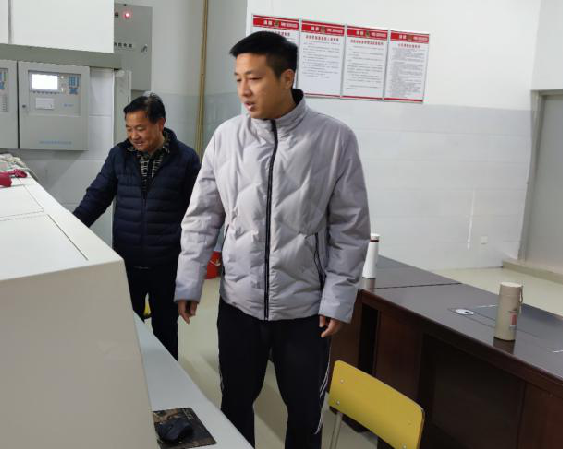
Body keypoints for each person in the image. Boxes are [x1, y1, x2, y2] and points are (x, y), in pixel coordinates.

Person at [174, 31, 371, 448]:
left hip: (305, 312)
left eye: (255, 78)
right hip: (239, 305)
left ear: (287, 77)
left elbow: (349, 227)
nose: (244, 90)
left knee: (305, 413)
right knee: (235, 404)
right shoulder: (227, 137)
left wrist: (338, 297)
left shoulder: (334, 139)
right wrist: (189, 279)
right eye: (239, 78)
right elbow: (203, 215)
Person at [74, 93, 201, 359]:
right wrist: (71, 229)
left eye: (140, 128)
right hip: (127, 261)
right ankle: (133, 378)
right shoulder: (119, 156)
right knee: (127, 331)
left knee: (166, 329)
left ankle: (167, 379)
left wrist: (193, 268)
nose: (134, 135)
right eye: (129, 128)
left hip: (166, 263)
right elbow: (97, 197)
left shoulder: (185, 159)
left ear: (160, 124)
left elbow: (198, 214)